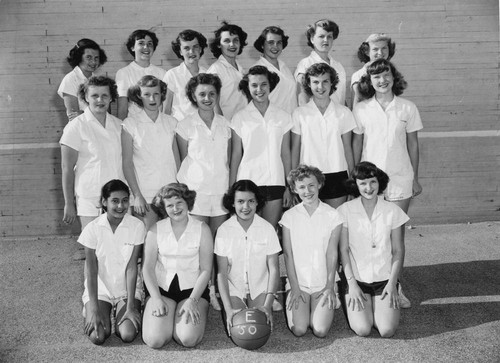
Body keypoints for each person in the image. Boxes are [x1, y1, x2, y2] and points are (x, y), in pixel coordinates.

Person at [352, 59, 422, 308]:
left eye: (386, 75)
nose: (382, 81)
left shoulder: (407, 108)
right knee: (374, 236)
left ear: (394, 77)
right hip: (371, 183)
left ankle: (396, 287)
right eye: (376, 77)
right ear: (370, 82)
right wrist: (355, 176)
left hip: (401, 180)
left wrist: (414, 177)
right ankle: (372, 286)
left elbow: (413, 144)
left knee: (395, 239)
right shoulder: (361, 109)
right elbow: (357, 145)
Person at [177, 73, 231, 310]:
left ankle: (217, 289)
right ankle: (200, 291)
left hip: (220, 191)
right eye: (202, 94)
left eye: (211, 93)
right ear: (193, 97)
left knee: (218, 243)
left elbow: (228, 159)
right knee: (199, 244)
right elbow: (181, 159)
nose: (207, 98)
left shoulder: (225, 124)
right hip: (196, 193)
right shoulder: (184, 125)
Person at [337, 162, 408, 338]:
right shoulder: (345, 210)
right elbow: (343, 249)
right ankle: (361, 301)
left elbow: (398, 250)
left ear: (380, 182)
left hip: (384, 280)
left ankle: (383, 303)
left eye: (373, 182)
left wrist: (392, 283)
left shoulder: (392, 211)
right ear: (356, 185)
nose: (368, 188)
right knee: (363, 329)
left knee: (387, 331)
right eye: (363, 183)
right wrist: (352, 284)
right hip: (357, 280)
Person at [142, 183, 213, 348]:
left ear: (187, 202)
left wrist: (192, 300)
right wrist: (156, 298)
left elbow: (206, 269)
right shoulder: (155, 229)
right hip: (161, 290)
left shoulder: (202, 229)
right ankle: (166, 317)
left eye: (179, 202)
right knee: (155, 340)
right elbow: (147, 268)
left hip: (192, 291)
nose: (175, 208)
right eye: (169, 205)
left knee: (188, 339)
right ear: (164, 208)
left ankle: (186, 315)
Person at [79, 179, 145, 345]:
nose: (120, 206)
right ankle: (98, 309)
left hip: (126, 290)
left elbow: (132, 268)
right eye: (114, 201)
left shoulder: (137, 226)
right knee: (98, 336)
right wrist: (93, 308)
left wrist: (130, 307)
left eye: (124, 200)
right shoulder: (92, 229)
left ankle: (127, 309)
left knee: (128, 334)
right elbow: (91, 272)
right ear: (104, 202)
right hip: (101, 290)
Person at [279, 165, 343, 337]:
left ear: (320, 184)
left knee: (320, 330)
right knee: (299, 329)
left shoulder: (333, 215)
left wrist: (329, 286)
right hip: (298, 283)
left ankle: (332, 297)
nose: (307, 191)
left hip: (323, 283)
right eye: (301, 187)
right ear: (294, 189)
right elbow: (288, 254)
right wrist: (294, 287)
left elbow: (332, 253)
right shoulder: (289, 217)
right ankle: (301, 300)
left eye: (311, 185)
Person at [230, 65, 293, 229]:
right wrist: (232, 190)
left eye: (263, 84)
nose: (259, 89)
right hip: (248, 182)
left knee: (270, 232)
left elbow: (286, 154)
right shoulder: (239, 118)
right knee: (248, 233)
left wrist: (289, 187)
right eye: (254, 85)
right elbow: (236, 155)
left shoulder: (283, 117)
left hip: (275, 182)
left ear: (270, 85)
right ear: (248, 87)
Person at [215, 180, 280, 335]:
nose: (246, 207)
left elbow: (274, 269)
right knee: (240, 330)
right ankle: (237, 305)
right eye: (240, 201)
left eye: (251, 201)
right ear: (232, 203)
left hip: (260, 288)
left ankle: (271, 302)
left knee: (259, 331)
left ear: (258, 202)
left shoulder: (267, 229)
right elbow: (221, 273)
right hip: (235, 289)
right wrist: (228, 308)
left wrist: (268, 303)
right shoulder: (224, 230)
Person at [60, 76, 124, 233]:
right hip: (90, 198)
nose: (100, 100)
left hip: (118, 198)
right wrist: (69, 203)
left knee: (119, 246)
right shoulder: (75, 127)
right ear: (86, 97)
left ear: (111, 98)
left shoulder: (119, 125)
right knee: (93, 249)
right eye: (94, 95)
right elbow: (67, 168)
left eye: (105, 95)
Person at [291, 63, 355, 208]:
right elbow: (295, 149)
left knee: (335, 223)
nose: (321, 86)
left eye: (325, 81)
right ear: (308, 84)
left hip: (338, 174)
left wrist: (352, 179)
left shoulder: (344, 112)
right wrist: (293, 180)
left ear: (332, 83)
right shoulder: (299, 113)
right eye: (316, 82)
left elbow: (347, 148)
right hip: (307, 176)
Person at [122, 75, 180, 231]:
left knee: (170, 240)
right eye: (147, 94)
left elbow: (177, 160)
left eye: (156, 93)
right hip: (144, 194)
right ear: (139, 97)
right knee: (149, 242)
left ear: (162, 94)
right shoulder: (130, 124)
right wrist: (137, 196)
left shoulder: (172, 123)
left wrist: (180, 190)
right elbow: (127, 163)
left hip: (170, 192)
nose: (152, 98)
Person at [115, 29, 166, 120]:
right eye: (141, 43)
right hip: (135, 125)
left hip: (158, 124)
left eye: (150, 44)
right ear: (132, 47)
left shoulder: (162, 73)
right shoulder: (124, 73)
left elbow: (164, 105)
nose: (146, 47)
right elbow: (122, 107)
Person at [295, 19, 346, 106]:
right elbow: (302, 98)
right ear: (312, 39)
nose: (326, 40)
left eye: (329, 36)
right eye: (321, 36)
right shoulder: (305, 64)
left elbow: (341, 97)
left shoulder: (338, 66)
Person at [206, 21, 248, 120]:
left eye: (236, 40)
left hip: (242, 125)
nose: (232, 44)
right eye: (227, 41)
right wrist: (223, 127)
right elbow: (213, 105)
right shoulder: (215, 70)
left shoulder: (241, 69)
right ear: (219, 45)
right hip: (226, 127)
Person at [163, 29, 208, 121]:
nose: (191, 52)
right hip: (179, 128)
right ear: (180, 51)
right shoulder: (172, 75)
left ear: (200, 49)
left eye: (195, 47)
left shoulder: (208, 74)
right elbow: (165, 110)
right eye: (186, 48)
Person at [58, 38, 108, 121]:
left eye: (96, 58)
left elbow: (105, 111)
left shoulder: (98, 79)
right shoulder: (70, 79)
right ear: (79, 57)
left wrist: (85, 113)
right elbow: (74, 116)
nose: (93, 62)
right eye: (88, 57)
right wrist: (97, 113)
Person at [253, 26, 297, 113]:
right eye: (271, 42)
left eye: (279, 43)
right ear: (262, 45)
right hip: (272, 122)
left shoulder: (284, 67)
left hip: (291, 121)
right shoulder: (257, 70)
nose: (275, 46)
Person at [350, 33, 396, 109]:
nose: (380, 53)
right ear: (367, 52)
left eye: (384, 48)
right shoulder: (359, 75)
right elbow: (355, 107)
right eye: (375, 49)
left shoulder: (391, 72)